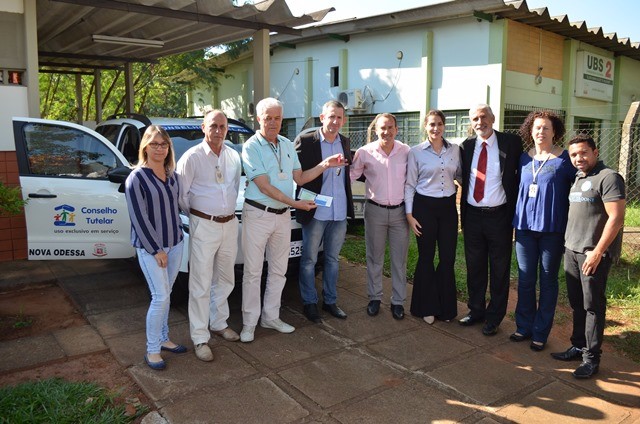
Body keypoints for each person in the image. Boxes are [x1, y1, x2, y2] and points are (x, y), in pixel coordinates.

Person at [240, 97, 346, 343]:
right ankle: (249, 323)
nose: (273, 122)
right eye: (268, 118)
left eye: (278, 118)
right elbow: (264, 186)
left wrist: (324, 165)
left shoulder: (287, 144)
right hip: (258, 213)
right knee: (253, 272)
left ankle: (271, 316)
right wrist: (296, 204)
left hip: (282, 217)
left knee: (279, 270)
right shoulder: (251, 146)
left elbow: (299, 178)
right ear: (259, 119)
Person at [551, 134, 625, 379]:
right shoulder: (579, 177)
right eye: (573, 154)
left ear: (595, 151)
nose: (578, 158)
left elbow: (616, 218)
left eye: (583, 153)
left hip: (591, 254)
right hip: (571, 251)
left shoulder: (609, 177)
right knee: (577, 304)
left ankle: (591, 359)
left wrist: (598, 252)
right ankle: (578, 345)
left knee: (593, 306)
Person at [176, 110, 242, 363]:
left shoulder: (233, 155)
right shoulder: (191, 158)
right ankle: (200, 337)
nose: (218, 130)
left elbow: (234, 187)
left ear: (227, 129)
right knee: (201, 283)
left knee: (225, 279)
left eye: (222, 126)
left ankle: (219, 323)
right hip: (204, 224)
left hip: (229, 224)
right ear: (203, 127)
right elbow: (182, 196)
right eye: (213, 125)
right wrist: (199, 216)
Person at [511, 111, 575, 351]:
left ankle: (540, 332)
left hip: (552, 230)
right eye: (537, 128)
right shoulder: (523, 159)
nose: (541, 132)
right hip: (525, 228)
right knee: (526, 279)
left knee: (547, 281)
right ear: (531, 131)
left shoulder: (565, 159)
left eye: (546, 128)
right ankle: (524, 326)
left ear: (554, 131)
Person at [459, 104, 523, 335]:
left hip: (499, 217)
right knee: (474, 267)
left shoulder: (511, 143)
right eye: (475, 118)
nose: (479, 122)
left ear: (493, 118)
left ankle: (494, 317)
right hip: (473, 216)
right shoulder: (466, 147)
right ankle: (476, 310)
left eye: (483, 117)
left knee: (499, 269)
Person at [125, 126, 185, 370]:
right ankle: (151, 350)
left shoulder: (172, 175)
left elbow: (177, 207)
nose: (159, 148)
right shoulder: (136, 178)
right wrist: (156, 250)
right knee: (159, 297)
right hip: (153, 249)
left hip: (176, 243)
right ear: (145, 147)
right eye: (154, 144)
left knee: (167, 294)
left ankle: (163, 338)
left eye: (163, 144)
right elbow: (139, 218)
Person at [295, 100, 354, 323]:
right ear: (322, 118)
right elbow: (298, 176)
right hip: (315, 210)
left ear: (343, 120)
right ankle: (309, 303)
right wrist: (325, 164)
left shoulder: (345, 142)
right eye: (331, 117)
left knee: (332, 259)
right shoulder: (307, 141)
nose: (335, 121)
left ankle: (330, 301)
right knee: (309, 259)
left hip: (338, 211)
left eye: (339, 118)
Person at [350, 113, 410, 320]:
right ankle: (374, 297)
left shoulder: (406, 152)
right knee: (374, 257)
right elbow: (350, 175)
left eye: (390, 127)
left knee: (399, 260)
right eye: (382, 128)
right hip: (374, 210)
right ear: (376, 130)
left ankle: (398, 301)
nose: (386, 131)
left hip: (400, 213)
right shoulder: (365, 152)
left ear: (397, 129)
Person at [406, 110, 461, 324]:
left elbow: (460, 176)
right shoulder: (416, 152)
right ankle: (426, 307)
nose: (435, 128)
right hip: (424, 208)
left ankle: (445, 308)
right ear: (425, 127)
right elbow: (410, 184)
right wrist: (410, 215)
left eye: (439, 124)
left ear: (444, 126)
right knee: (426, 257)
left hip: (448, 208)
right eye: (431, 124)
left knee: (447, 258)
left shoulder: (455, 150)